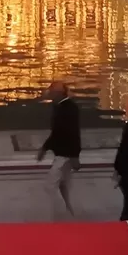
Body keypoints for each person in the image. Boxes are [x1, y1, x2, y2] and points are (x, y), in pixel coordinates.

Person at [37, 81, 81, 218]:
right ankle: (68, 213)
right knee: (63, 185)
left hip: (65, 154)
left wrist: (74, 155)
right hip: (63, 153)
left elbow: (72, 133)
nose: (49, 94)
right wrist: (45, 148)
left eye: (51, 92)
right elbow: (57, 132)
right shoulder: (61, 107)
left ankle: (61, 214)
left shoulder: (68, 109)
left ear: (58, 93)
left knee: (51, 185)